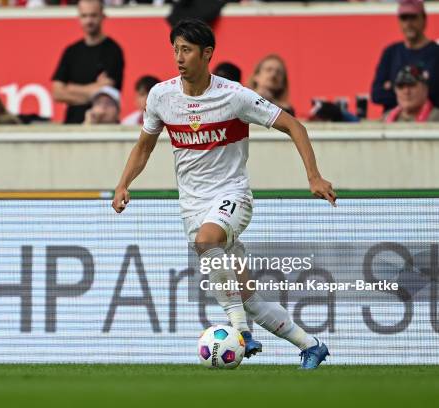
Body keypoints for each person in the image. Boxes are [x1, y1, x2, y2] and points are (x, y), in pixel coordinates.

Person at [112, 19, 335, 370]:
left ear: (207, 54)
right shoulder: (161, 96)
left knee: (207, 241)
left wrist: (314, 177)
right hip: (192, 205)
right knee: (249, 297)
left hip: (233, 197)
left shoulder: (235, 96)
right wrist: (123, 184)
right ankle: (311, 345)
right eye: (175, 50)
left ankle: (240, 333)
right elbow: (143, 147)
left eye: (186, 50)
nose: (179, 58)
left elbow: (295, 125)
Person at [52, 0, 125, 124]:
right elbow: (57, 93)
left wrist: (70, 88)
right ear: (78, 17)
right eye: (84, 16)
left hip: (102, 126)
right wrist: (93, 91)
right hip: (72, 124)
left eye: (93, 15)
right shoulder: (71, 51)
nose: (89, 21)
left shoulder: (113, 50)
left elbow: (106, 90)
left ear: (103, 15)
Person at [372, 0, 439, 112]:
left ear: (424, 19)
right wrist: (419, 92)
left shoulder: (436, 53)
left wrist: (394, 88)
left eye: (413, 17)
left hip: (431, 123)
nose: (409, 23)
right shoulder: (390, 52)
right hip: (395, 122)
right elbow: (377, 94)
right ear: (398, 21)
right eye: (404, 18)